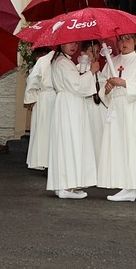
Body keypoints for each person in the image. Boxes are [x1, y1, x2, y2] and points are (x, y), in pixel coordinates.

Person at [97, 34, 136, 202]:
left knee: (133, 145)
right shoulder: (112, 62)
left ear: (135, 42)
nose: (124, 43)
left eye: (128, 39)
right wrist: (107, 89)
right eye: (121, 39)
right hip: (117, 108)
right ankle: (131, 186)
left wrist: (123, 83)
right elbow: (103, 84)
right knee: (119, 146)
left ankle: (133, 186)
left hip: (133, 109)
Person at [46, 41, 100, 199]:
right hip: (70, 105)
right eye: (70, 43)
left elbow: (75, 81)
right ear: (61, 44)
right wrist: (92, 71)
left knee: (68, 143)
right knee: (70, 143)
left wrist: (84, 70)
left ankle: (66, 184)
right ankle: (66, 186)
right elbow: (76, 85)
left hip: (69, 103)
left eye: (76, 43)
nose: (74, 46)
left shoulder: (63, 61)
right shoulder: (63, 62)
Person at [23, 46, 56, 171]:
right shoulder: (44, 60)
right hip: (45, 97)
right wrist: (32, 97)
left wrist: (31, 97)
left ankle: (49, 160)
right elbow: (33, 79)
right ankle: (43, 160)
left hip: (56, 96)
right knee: (44, 129)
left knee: (50, 130)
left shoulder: (60, 60)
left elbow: (32, 79)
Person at [79, 40, 105, 163]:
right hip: (86, 108)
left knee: (98, 136)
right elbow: (80, 87)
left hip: (98, 110)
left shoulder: (100, 72)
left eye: (97, 52)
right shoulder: (79, 69)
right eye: (92, 51)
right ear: (83, 53)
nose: (95, 55)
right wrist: (91, 72)